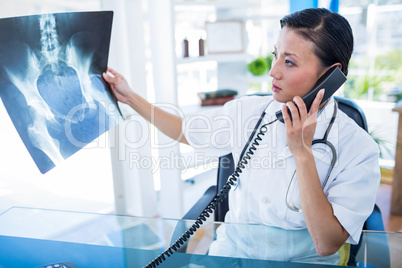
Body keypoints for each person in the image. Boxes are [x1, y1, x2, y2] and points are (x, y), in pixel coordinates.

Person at [103, 8, 380, 265]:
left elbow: (326, 243)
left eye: (290, 62)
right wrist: (131, 98)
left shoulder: (358, 148)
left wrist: (302, 154)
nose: (273, 71)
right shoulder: (249, 111)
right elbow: (187, 132)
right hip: (233, 254)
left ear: (331, 75)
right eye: (275, 55)